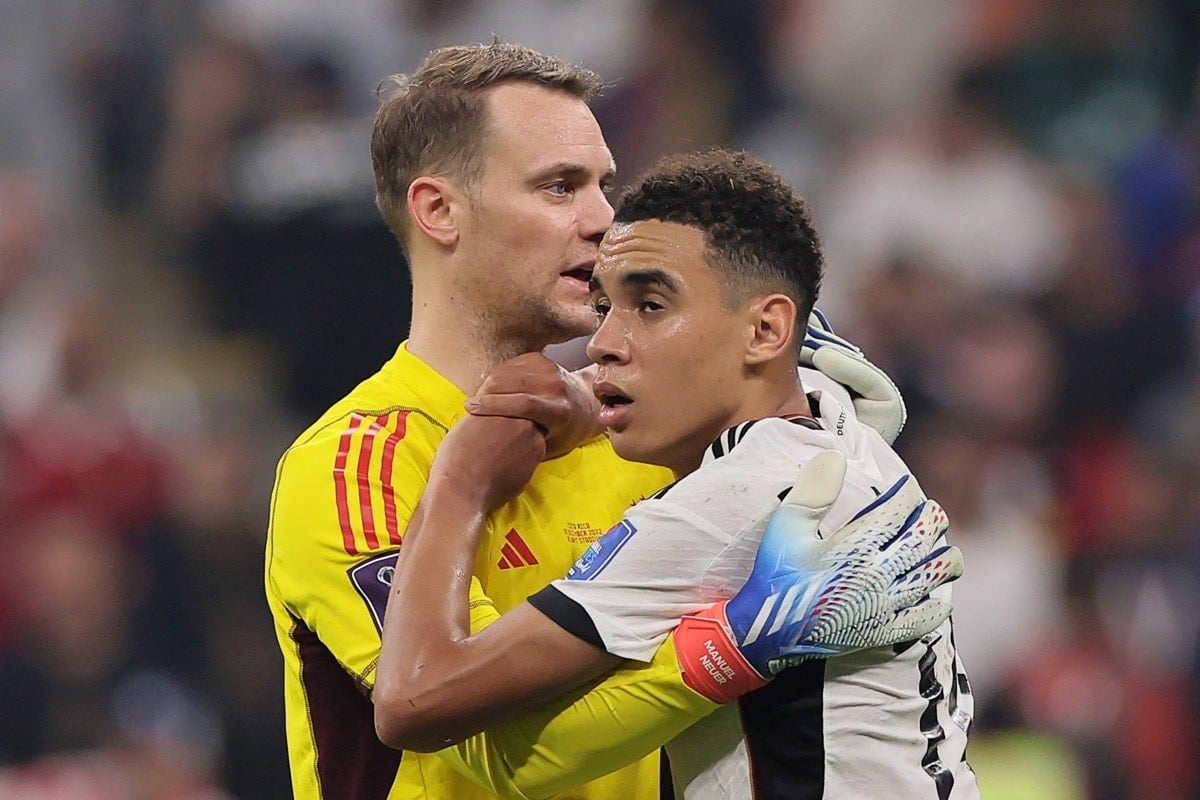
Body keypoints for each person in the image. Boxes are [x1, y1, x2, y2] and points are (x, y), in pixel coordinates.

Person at [265, 42, 930, 800]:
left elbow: (851, 399)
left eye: (604, 186)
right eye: (559, 188)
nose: (604, 221)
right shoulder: (360, 464)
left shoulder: (648, 432)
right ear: (439, 210)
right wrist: (730, 648)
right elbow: (482, 742)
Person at [374, 148, 978, 799]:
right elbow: (833, 366)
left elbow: (414, 697)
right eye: (605, 308)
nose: (605, 343)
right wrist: (589, 397)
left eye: (652, 306)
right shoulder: (835, 426)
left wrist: (461, 480)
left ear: (768, 330)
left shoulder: (731, 502)